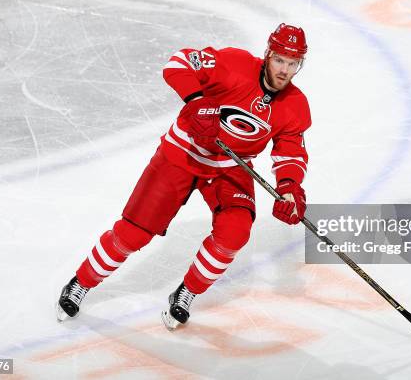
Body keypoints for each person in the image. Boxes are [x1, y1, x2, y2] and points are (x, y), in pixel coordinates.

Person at [56, 23, 312, 330]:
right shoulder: (233, 63)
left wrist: (290, 188)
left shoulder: (295, 105)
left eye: (293, 63)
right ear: (267, 55)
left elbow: (291, 151)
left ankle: (186, 293)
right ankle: (81, 282)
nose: (284, 70)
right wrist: (196, 102)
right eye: (280, 60)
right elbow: (178, 61)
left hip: (229, 167)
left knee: (235, 231)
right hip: (182, 153)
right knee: (133, 234)